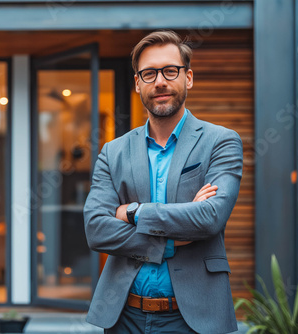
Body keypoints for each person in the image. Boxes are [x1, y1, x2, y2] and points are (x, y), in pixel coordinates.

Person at [83, 30, 243, 334]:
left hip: (193, 318)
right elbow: (95, 229)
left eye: (170, 71)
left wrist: (132, 212)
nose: (160, 81)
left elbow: (210, 217)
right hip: (123, 317)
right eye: (149, 73)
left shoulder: (221, 142)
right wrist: (171, 239)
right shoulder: (113, 151)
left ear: (189, 78)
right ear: (137, 84)